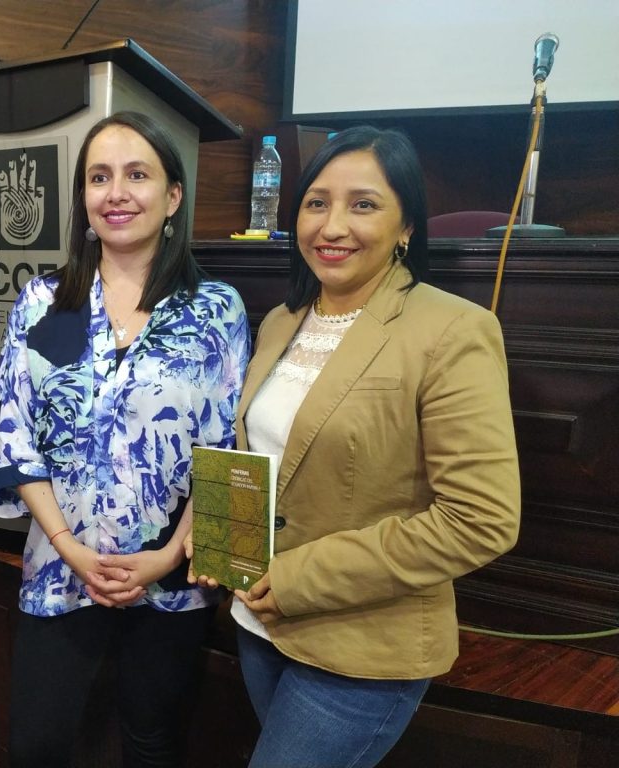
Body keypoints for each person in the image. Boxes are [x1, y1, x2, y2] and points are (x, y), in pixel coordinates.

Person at [190, 125, 521, 768]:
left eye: (363, 205)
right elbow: (269, 455)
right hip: (262, 624)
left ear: (406, 227)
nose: (332, 225)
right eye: (317, 202)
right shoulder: (284, 320)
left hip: (363, 646)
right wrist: (222, 541)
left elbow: (481, 520)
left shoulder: (454, 330)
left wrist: (298, 579)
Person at [0, 111, 249, 768]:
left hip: (172, 577)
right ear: (82, 198)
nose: (116, 193)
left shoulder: (216, 310)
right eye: (99, 177)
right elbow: (17, 437)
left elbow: (226, 456)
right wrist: (73, 550)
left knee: (152, 741)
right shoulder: (44, 302)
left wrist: (164, 561)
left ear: (173, 197)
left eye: (138, 174)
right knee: (37, 745)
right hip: (61, 567)